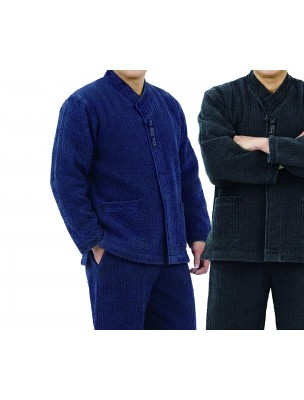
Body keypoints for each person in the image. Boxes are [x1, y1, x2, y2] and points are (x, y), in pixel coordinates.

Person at [51, 70, 211, 330]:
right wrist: (94, 242)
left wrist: (200, 234)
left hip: (173, 260)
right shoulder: (83, 104)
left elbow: (188, 176)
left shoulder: (168, 105)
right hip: (117, 256)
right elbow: (65, 179)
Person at [198, 70, 304, 330]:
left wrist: (262, 144)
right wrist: (294, 149)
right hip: (235, 245)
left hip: (303, 245)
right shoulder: (220, 98)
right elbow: (218, 163)